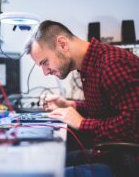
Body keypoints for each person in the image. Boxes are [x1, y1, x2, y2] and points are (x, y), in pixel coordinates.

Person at [24, 20, 139, 176]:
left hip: (128, 162)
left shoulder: (112, 63)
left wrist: (82, 123)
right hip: (112, 152)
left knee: (47, 173)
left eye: (45, 62)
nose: (45, 72)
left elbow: (133, 125)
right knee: (50, 162)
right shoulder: (90, 66)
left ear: (62, 44)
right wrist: (69, 104)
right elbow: (108, 108)